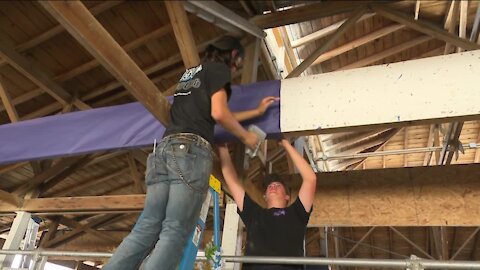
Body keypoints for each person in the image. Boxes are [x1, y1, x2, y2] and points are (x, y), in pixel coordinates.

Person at [103, 36, 277, 270]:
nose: (236, 70)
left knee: (146, 228)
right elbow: (219, 113)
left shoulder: (191, 74)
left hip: (163, 150)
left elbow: (215, 112)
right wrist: (246, 137)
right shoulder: (219, 71)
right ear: (234, 56)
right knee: (174, 231)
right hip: (190, 153)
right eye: (238, 63)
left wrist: (256, 111)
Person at [218, 139, 317, 270]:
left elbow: (310, 178)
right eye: (269, 186)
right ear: (264, 197)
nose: (272, 187)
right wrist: (221, 146)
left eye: (277, 185)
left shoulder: (297, 213)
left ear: (287, 196)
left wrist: (286, 144)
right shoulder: (254, 214)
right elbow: (231, 180)